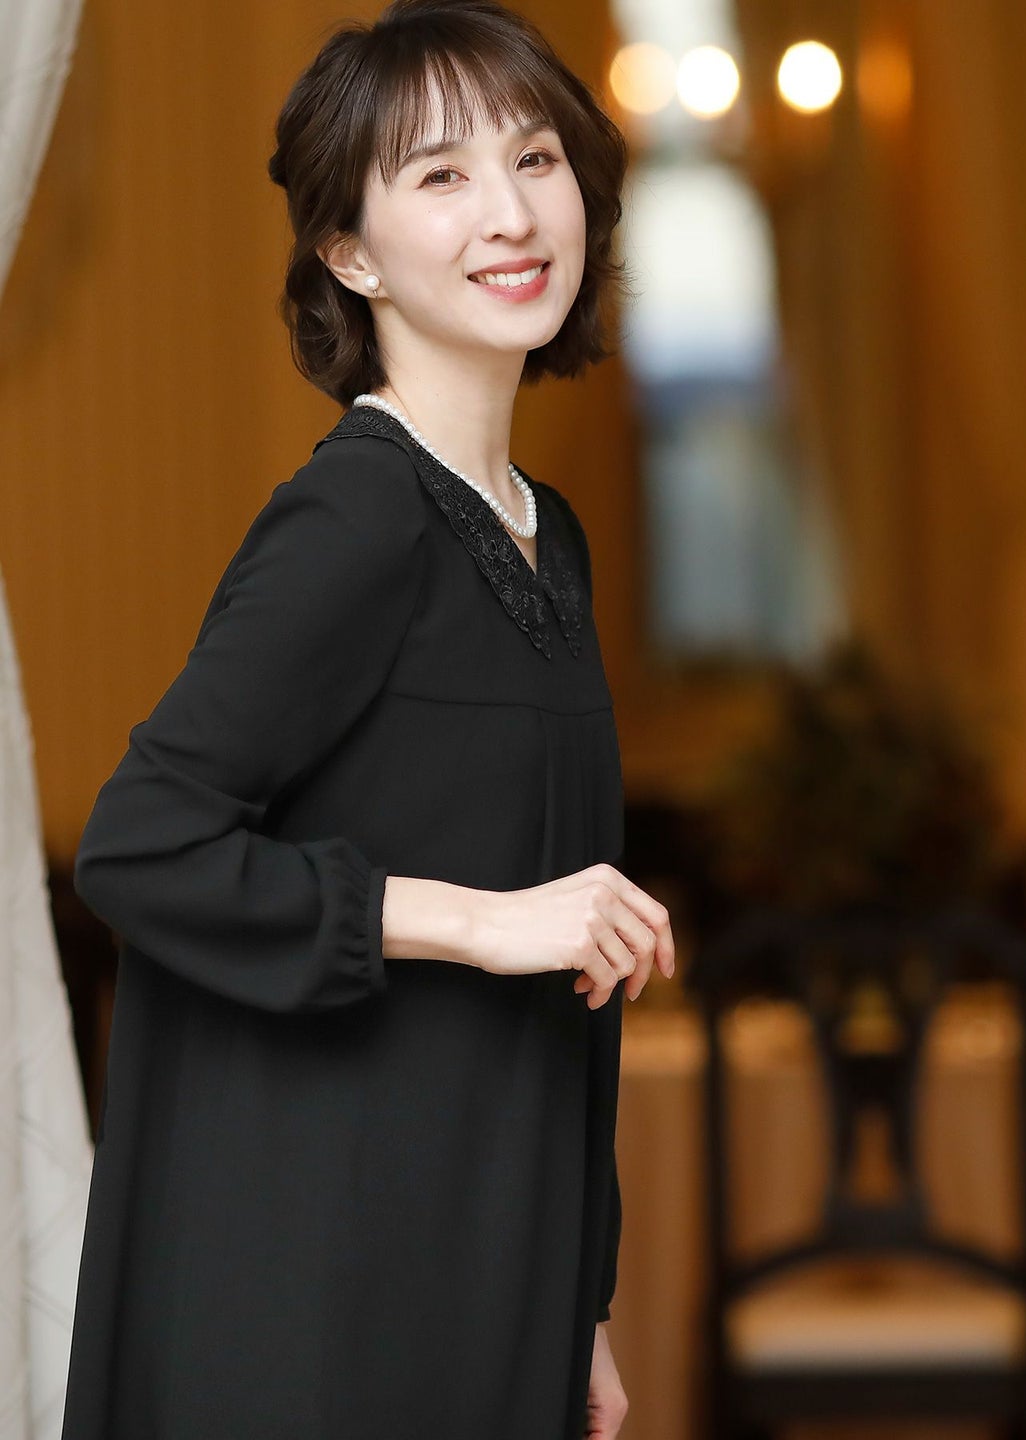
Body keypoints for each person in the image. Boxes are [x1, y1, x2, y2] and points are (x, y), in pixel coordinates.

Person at [60, 2, 675, 1436]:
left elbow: (570, 980)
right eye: (441, 175)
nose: (511, 213)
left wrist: (580, 1298)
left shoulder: (547, 537)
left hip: (485, 1254)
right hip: (324, 1280)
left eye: (536, 158)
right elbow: (139, 846)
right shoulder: (356, 518)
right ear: (350, 252)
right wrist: (476, 921)